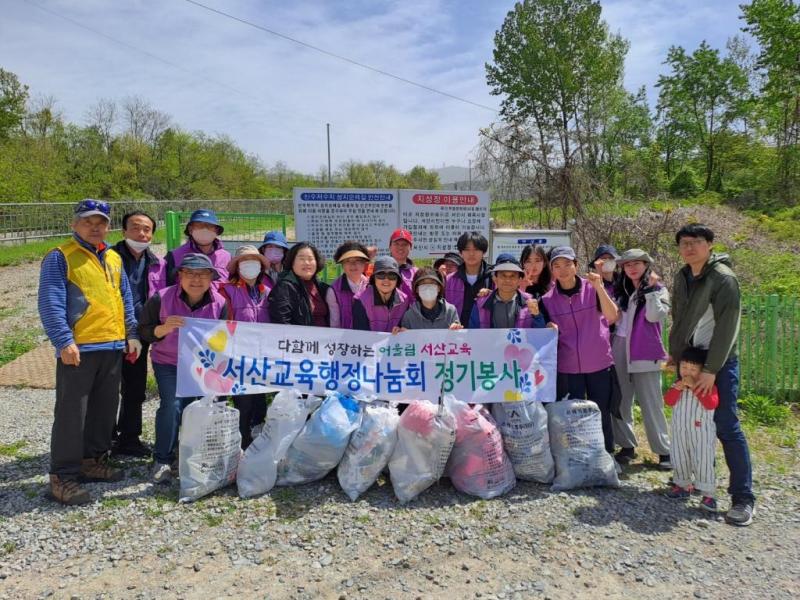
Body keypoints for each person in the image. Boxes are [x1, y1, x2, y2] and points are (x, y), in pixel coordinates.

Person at [38, 199, 140, 505]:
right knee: (72, 414)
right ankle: (62, 476)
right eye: (87, 222)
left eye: (100, 223)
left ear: (108, 227)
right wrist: (63, 341)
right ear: (74, 224)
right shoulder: (60, 257)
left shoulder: (113, 257)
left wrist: (131, 333)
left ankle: (92, 460)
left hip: (112, 345)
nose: (95, 228)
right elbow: (51, 302)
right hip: (79, 348)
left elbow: (124, 298)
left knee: (103, 411)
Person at [669, 223, 755, 526]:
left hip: (716, 364)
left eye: (696, 242)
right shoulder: (682, 276)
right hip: (689, 363)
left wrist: (711, 369)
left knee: (726, 426)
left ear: (709, 245)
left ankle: (743, 498)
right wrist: (676, 355)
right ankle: (692, 482)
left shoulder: (723, 278)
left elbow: (728, 327)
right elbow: (679, 318)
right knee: (689, 426)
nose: (689, 248)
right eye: (684, 243)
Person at [138, 254, 229, 483]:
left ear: (211, 278)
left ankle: (196, 455)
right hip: (168, 362)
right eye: (190, 273)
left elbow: (224, 338)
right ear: (180, 275)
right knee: (172, 405)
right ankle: (162, 459)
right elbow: (144, 331)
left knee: (205, 406)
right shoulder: (161, 298)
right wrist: (163, 329)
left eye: (203, 274)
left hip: (203, 364)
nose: (196, 279)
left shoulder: (220, 303)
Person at [541, 246, 619, 454]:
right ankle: (578, 458)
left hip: (599, 363)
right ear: (551, 270)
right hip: (568, 367)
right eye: (557, 265)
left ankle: (606, 455)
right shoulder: (547, 300)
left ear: (576, 265)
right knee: (573, 416)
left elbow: (612, 316)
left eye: (568, 264)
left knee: (601, 412)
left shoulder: (593, 288)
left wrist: (599, 287)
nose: (563, 270)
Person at [611, 249, 672, 469]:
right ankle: (626, 445)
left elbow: (654, 316)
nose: (632, 268)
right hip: (619, 346)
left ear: (646, 265)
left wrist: (652, 291)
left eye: (637, 263)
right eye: (627, 265)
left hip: (645, 349)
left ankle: (664, 451)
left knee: (651, 402)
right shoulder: (620, 289)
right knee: (620, 400)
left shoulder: (659, 289)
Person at [110, 210, 164, 458]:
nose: (141, 233)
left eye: (147, 229)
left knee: (134, 386)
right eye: (135, 227)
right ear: (123, 231)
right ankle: (103, 438)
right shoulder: (108, 257)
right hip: (110, 331)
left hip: (140, 334)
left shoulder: (157, 263)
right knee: (106, 387)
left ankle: (129, 438)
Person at [221, 245, 272, 448]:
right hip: (238, 357)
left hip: (262, 356)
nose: (250, 265)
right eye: (244, 261)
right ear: (237, 267)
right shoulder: (227, 291)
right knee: (244, 401)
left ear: (261, 266)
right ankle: (240, 443)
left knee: (260, 399)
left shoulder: (267, 292)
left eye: (255, 261)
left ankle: (257, 441)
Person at [663, 346, 719, 512]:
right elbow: (668, 401)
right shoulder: (677, 384)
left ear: (702, 371)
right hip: (680, 429)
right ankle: (682, 485)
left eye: (693, 369)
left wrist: (695, 387)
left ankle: (708, 494)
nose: (687, 372)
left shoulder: (707, 386)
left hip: (701, 432)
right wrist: (677, 389)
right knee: (679, 456)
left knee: (703, 460)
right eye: (684, 367)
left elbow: (711, 404)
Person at [468, 254, 546, 329]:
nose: (508, 280)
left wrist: (537, 315)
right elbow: (473, 332)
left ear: (519, 280)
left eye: (512, 276)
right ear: (495, 279)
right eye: (503, 275)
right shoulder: (480, 303)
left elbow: (540, 333)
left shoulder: (530, 302)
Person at [268, 242, 333, 326]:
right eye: (301, 259)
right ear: (292, 263)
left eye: (310, 259)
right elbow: (281, 323)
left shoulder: (323, 288)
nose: (307, 263)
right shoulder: (284, 288)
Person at [164, 209, 230, 285]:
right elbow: (166, 287)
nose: (205, 230)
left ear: (216, 230)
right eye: (199, 225)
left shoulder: (226, 256)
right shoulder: (174, 256)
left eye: (209, 226)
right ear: (190, 229)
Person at [445, 231, 494, 325]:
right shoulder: (449, 280)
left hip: (487, 331)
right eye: (467, 249)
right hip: (456, 331)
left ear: (483, 252)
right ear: (461, 253)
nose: (471, 253)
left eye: (476, 249)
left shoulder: (493, 277)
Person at [352, 256, 409, 332]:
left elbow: (404, 327)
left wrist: (402, 330)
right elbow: (362, 334)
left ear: (397, 280)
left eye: (392, 275)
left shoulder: (404, 301)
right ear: (374, 278)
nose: (386, 280)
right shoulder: (361, 301)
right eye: (381, 275)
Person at [329, 241, 370, 329]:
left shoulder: (372, 286)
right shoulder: (333, 291)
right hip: (344, 337)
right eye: (347, 261)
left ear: (364, 263)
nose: (353, 265)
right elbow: (335, 323)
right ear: (342, 265)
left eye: (358, 260)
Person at [389, 228, 417, 296]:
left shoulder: (416, 273)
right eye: (396, 244)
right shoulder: (381, 270)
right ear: (390, 247)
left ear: (410, 248)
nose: (400, 247)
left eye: (405, 244)